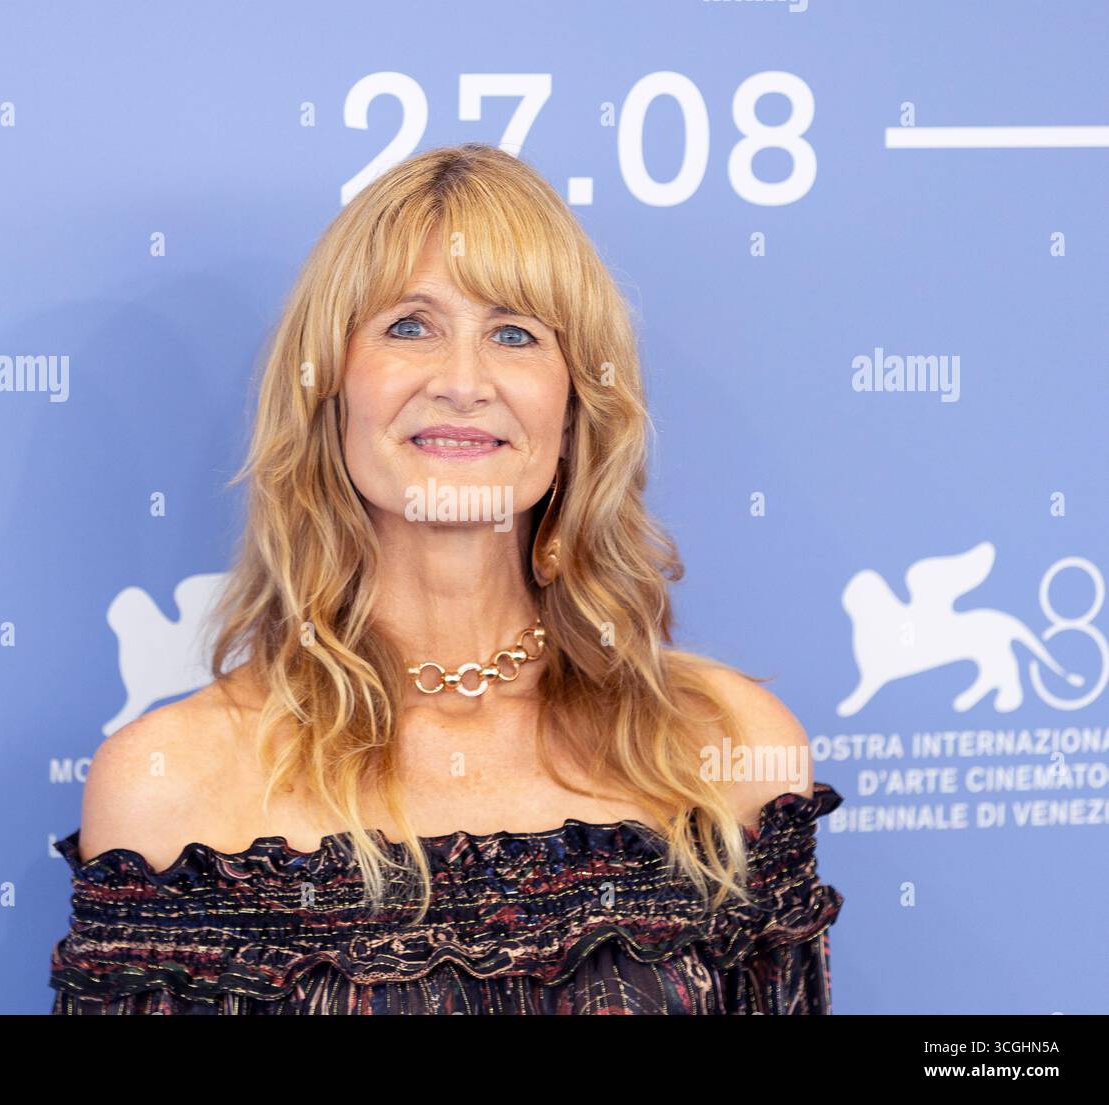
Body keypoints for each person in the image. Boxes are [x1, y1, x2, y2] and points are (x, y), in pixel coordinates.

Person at [48, 142, 844, 1015]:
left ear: (576, 408)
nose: (463, 383)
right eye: (409, 326)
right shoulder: (169, 791)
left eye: (514, 333)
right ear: (328, 391)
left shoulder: (726, 751)